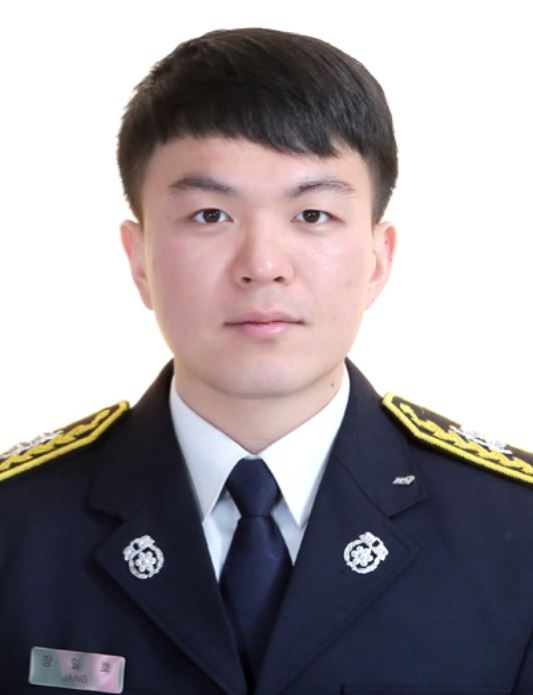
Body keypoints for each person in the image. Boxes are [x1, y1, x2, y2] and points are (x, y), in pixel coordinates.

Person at [2, 27, 533, 695]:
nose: (262, 265)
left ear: (378, 258)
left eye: (312, 214)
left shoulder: (515, 531)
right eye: (209, 215)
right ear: (139, 260)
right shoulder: (16, 527)